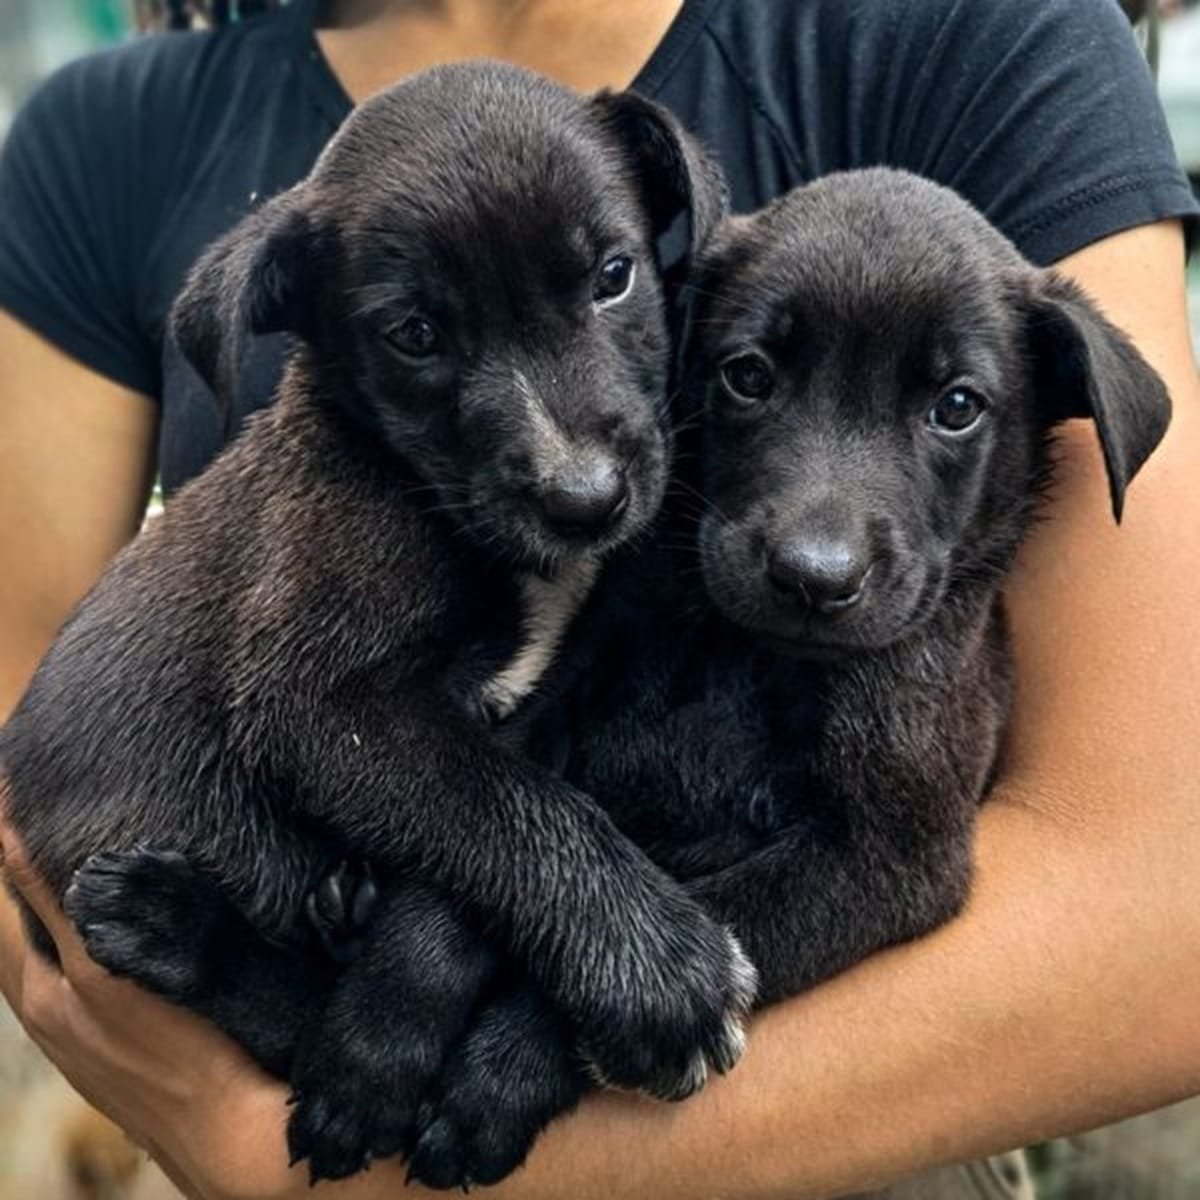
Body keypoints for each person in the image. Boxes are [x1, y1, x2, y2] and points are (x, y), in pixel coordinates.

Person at [1, 1, 1198, 1197]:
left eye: (614, 282)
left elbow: (1153, 919)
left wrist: (374, 1142)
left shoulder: (968, 37)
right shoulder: (109, 135)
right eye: (746, 378)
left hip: (814, 1131)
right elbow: (38, 740)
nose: (576, 460)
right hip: (275, 1021)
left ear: (669, 245)